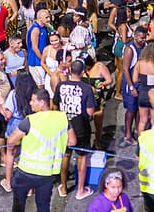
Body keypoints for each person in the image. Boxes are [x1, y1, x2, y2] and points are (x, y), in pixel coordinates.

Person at [6, 88, 76, 212]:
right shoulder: (62, 118)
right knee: (43, 206)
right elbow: (72, 142)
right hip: (47, 173)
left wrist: (18, 144)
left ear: (42, 102)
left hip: (26, 172)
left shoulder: (30, 120)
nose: (30, 103)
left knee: (18, 203)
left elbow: (11, 141)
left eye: (33, 100)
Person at [53, 58, 96, 200]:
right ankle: (80, 190)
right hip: (81, 126)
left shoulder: (61, 86)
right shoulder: (87, 89)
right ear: (83, 72)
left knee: (65, 156)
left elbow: (55, 105)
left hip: (64, 126)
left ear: (70, 71)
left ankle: (64, 187)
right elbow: (90, 112)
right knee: (82, 156)